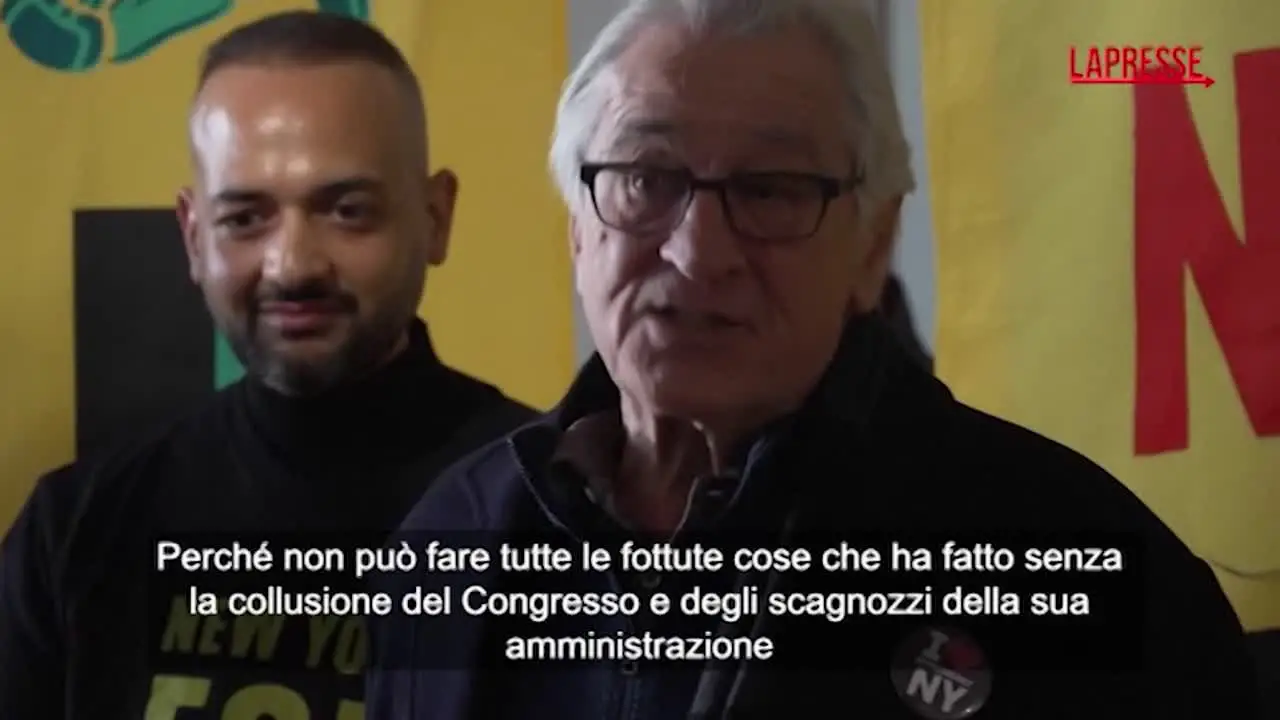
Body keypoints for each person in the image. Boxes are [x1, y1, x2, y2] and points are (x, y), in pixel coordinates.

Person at [366, 0, 1257, 718]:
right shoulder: (454, 537)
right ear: (576, 227)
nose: (698, 252)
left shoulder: (1081, 562)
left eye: (771, 189)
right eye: (645, 178)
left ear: (872, 244)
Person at [0, 10, 535, 720]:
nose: (292, 266)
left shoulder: (563, 513)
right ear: (193, 237)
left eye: (347, 210)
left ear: (435, 217)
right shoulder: (73, 532)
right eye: (245, 218)